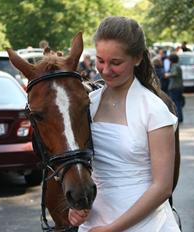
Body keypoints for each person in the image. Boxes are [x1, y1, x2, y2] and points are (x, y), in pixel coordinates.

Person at [69, 16, 180, 232]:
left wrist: (111, 229)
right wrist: (74, 208)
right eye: (100, 60)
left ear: (137, 58)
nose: (106, 69)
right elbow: (78, 168)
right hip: (94, 223)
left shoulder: (154, 110)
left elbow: (162, 187)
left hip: (147, 225)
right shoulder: (87, 105)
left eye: (116, 62)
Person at [165, 53, 184, 123]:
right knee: (178, 102)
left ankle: (178, 118)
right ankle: (180, 118)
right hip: (178, 86)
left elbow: (175, 73)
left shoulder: (175, 66)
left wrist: (167, 75)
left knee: (176, 103)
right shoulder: (177, 65)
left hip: (174, 87)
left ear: (171, 60)